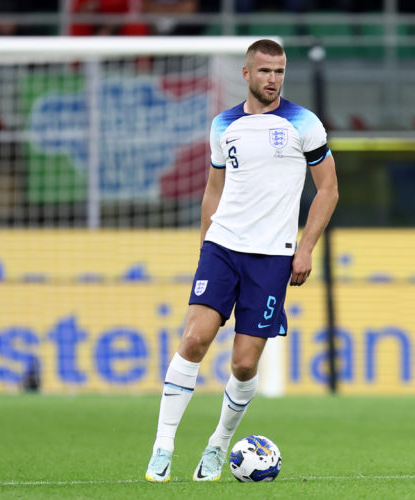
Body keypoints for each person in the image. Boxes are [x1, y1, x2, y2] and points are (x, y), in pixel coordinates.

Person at [145, 39, 338, 482]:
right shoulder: (223, 124)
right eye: (266, 71)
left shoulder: (303, 123)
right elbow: (213, 191)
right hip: (223, 247)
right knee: (194, 340)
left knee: (244, 364)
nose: (273, 79)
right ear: (247, 74)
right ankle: (163, 445)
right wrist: (204, 248)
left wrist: (306, 247)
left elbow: (328, 189)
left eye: (280, 71)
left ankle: (216, 445)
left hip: (272, 257)